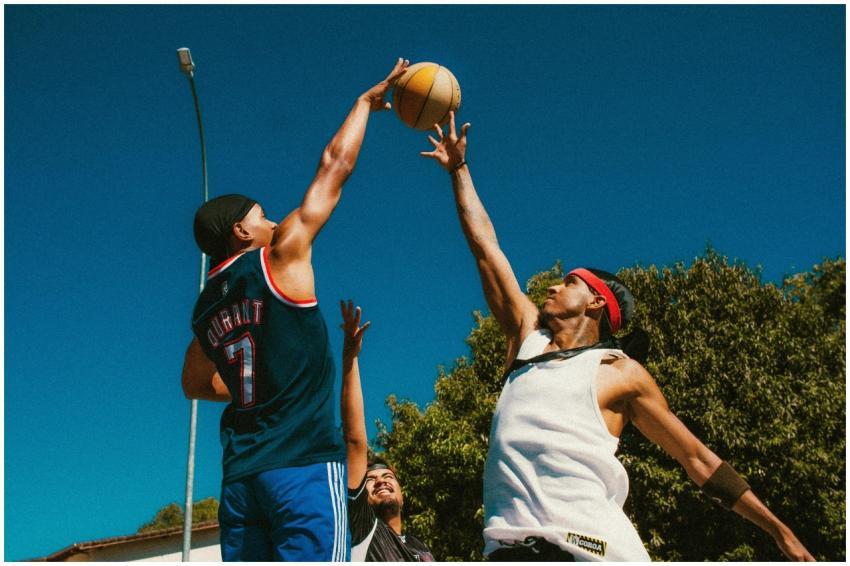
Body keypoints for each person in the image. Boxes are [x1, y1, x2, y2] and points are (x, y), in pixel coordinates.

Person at [420, 111, 814, 562]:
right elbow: (486, 247)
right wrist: (459, 171)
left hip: (593, 549)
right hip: (508, 550)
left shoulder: (619, 373)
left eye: (569, 282)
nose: (551, 285)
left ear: (596, 303)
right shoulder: (528, 341)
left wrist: (780, 532)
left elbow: (699, 461)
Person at [180, 58, 409, 562]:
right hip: (300, 463)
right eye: (260, 216)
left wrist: (255, 387)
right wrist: (364, 103)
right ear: (241, 232)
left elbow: (194, 384)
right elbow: (335, 165)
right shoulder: (279, 255)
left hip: (241, 479)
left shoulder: (204, 308)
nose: (271, 220)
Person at [339, 300, 435, 561]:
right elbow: (355, 440)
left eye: (388, 477)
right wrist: (350, 357)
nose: (381, 480)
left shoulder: (422, 549)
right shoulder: (363, 528)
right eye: (371, 480)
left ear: (402, 495)